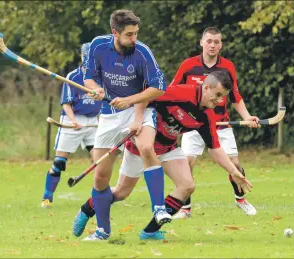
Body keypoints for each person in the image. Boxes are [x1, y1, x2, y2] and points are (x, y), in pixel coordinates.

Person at [73, 70, 253, 241]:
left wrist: (233, 171)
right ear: (206, 87)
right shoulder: (181, 93)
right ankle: (88, 208)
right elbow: (146, 96)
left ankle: (149, 232)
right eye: (218, 94)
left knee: (187, 185)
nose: (220, 101)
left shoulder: (207, 116)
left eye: (223, 97)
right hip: (142, 146)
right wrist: (137, 121)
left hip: (168, 148)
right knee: (121, 193)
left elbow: (215, 148)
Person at [77, 9, 171, 241]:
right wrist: (96, 89)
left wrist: (130, 102)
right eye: (129, 35)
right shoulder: (98, 46)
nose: (134, 39)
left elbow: (158, 87)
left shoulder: (142, 52)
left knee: (146, 147)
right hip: (110, 114)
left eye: (136, 33)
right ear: (115, 33)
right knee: (100, 176)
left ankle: (159, 208)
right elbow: (89, 76)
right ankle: (102, 231)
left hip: (139, 107)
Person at [171, 27, 259, 219]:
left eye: (216, 42)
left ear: (221, 45)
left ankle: (240, 199)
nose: (212, 45)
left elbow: (235, 96)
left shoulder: (228, 66)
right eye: (209, 41)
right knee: (186, 163)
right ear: (201, 42)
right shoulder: (188, 65)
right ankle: (185, 209)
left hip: (220, 124)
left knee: (234, 163)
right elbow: (173, 91)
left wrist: (246, 117)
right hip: (192, 124)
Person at [41, 43, 102, 208]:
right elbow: (66, 103)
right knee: (60, 162)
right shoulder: (73, 76)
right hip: (72, 120)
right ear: (82, 57)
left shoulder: (101, 76)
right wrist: (73, 120)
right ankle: (47, 197)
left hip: (93, 122)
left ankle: (99, 197)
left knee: (100, 162)